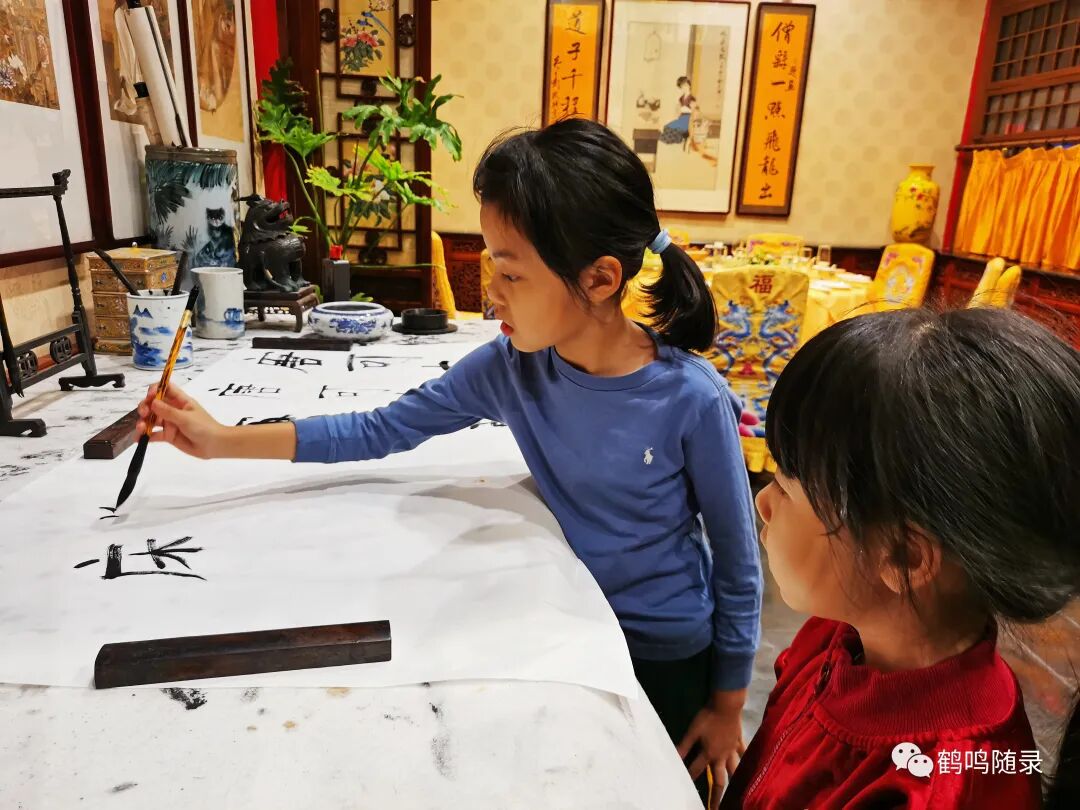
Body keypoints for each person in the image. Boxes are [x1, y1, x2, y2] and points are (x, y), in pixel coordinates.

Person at [136, 118, 763, 805]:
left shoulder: (689, 398)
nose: (491, 290)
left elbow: (739, 564)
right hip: (568, 632)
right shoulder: (512, 367)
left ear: (600, 278)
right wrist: (222, 440)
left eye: (511, 272)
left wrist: (728, 702)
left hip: (666, 653)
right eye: (492, 265)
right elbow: (379, 429)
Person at [721, 308, 1080, 809]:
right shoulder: (838, 638)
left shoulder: (944, 786)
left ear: (905, 556)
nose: (763, 502)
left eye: (787, 486)